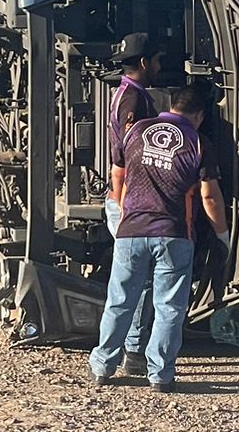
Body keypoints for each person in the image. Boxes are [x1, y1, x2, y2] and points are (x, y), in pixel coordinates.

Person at [89, 85, 229, 392]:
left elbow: (117, 175)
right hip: (174, 235)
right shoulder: (199, 142)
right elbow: (210, 196)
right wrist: (223, 234)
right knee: (169, 308)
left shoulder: (137, 130)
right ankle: (160, 375)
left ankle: (103, 366)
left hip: (131, 232)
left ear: (172, 105)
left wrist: (124, 210)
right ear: (200, 115)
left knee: (120, 302)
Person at [105, 34, 164, 378]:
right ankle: (134, 352)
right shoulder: (134, 102)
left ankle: (123, 353)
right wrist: (130, 200)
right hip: (131, 200)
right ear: (144, 62)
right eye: (156, 61)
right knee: (141, 281)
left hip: (126, 197)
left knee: (132, 280)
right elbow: (127, 155)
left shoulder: (125, 94)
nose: (159, 67)